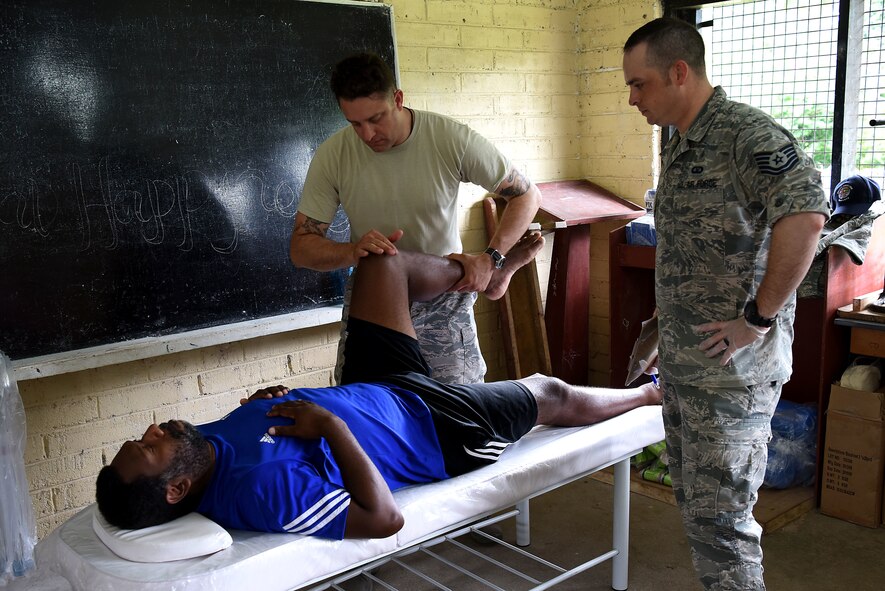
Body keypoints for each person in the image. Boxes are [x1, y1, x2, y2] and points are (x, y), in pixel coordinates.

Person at [96, 233, 662, 539]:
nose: (154, 430)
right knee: (550, 392)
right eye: (150, 448)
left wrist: (270, 405)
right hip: (436, 430)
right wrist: (331, 426)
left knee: (379, 265)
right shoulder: (258, 492)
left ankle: (484, 273)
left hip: (381, 385)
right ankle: (648, 394)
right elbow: (383, 519)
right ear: (176, 490)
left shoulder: (201, 447)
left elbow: (277, 432)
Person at [622, 18, 829, 591]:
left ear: (679, 73)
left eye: (640, 84)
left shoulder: (747, 136)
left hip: (732, 376)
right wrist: (658, 335)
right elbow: (694, 254)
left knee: (723, 521)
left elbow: (807, 218)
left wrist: (756, 319)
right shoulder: (681, 143)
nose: (633, 98)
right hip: (689, 368)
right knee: (698, 510)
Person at [289, 52, 542, 385]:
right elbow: (301, 248)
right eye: (355, 123)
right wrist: (352, 251)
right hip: (373, 297)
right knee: (366, 409)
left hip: (443, 293)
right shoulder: (333, 155)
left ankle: (491, 273)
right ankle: (492, 277)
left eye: (376, 118)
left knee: (458, 411)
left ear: (397, 99)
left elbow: (527, 195)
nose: (367, 134)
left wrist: (491, 257)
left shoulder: (449, 138)